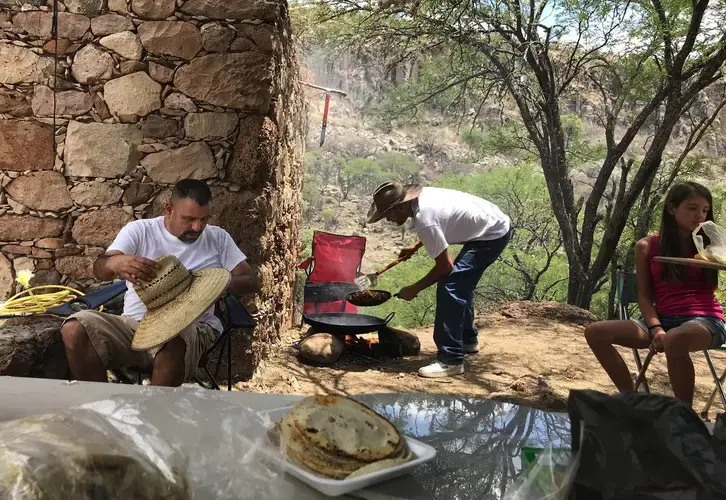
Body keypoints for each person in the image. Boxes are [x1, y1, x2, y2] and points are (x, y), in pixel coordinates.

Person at [60, 179, 260, 387]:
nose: (197, 227)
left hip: (191, 328)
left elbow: (252, 282)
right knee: (75, 328)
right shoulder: (140, 231)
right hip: (134, 327)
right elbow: (100, 270)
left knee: (173, 335)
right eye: (189, 218)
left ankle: (154, 416)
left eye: (204, 219)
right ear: (168, 209)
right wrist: (116, 262)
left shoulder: (218, 238)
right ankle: (96, 408)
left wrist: (217, 284)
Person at [585, 182, 725, 406]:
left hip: (706, 322)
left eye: (705, 210)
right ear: (671, 209)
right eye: (692, 208)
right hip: (663, 321)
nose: (700, 215)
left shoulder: (712, 245)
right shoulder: (646, 246)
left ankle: (682, 417)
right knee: (595, 332)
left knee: (676, 338)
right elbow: (643, 295)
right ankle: (632, 403)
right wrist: (656, 328)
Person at [367, 181, 513, 378]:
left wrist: (414, 288)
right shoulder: (422, 200)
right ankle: (467, 340)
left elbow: (445, 266)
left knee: (450, 286)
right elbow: (440, 223)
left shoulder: (424, 219)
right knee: (460, 283)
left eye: (388, 215)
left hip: (492, 234)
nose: (388, 220)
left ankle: (451, 360)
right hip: (491, 222)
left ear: (400, 206)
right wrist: (416, 245)